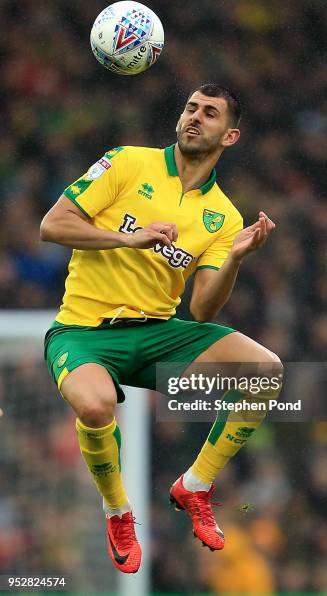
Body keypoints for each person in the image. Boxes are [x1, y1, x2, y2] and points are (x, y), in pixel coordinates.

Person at [40, 83, 283, 574]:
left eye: (209, 113)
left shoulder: (223, 216)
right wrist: (127, 238)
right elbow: (52, 225)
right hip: (84, 331)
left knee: (266, 370)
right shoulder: (128, 162)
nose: (194, 117)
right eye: (190, 108)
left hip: (158, 333)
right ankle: (118, 511)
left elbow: (203, 309)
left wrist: (234, 259)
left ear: (229, 136)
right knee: (94, 404)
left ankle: (195, 485)